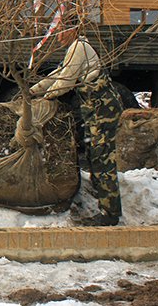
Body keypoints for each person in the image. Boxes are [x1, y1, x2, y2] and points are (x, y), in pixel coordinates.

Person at [30, 27, 123, 226]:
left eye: (61, 33)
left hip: (102, 108)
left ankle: (110, 213)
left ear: (72, 31)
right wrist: (34, 90)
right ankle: (104, 203)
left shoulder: (79, 47)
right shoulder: (74, 48)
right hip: (94, 107)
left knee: (102, 158)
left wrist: (46, 98)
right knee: (93, 154)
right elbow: (59, 74)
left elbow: (67, 80)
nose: (57, 38)